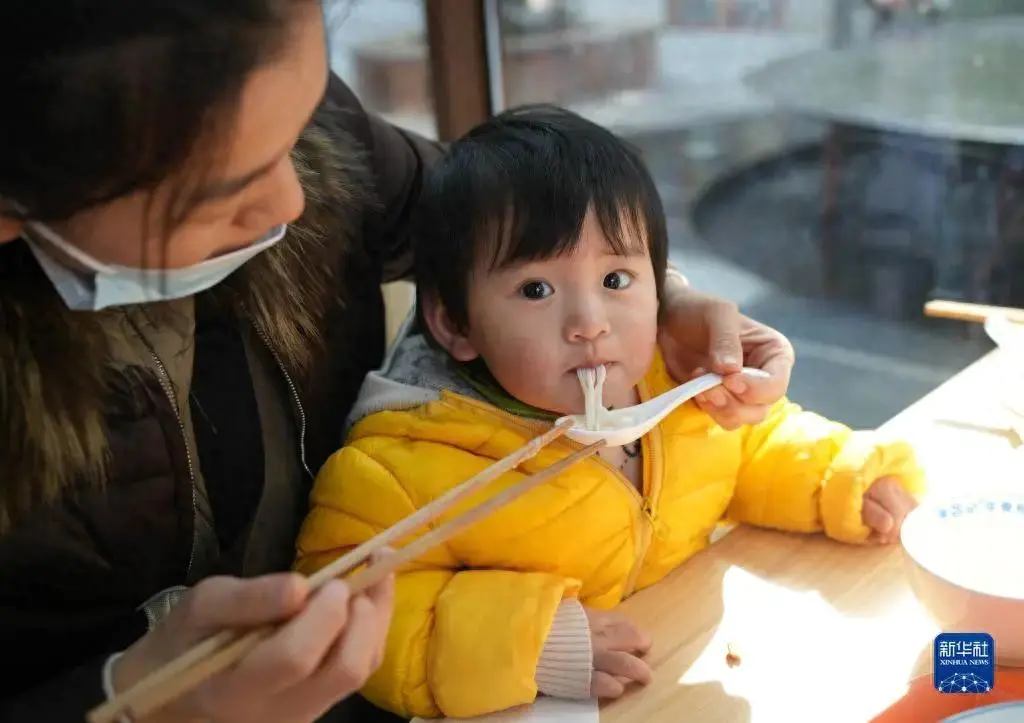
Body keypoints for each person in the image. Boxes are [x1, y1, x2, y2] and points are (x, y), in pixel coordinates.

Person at [0, 2, 797, 721]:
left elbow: (495, 222)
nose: (295, 201)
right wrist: (137, 706)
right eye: (226, 192)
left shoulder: (271, 95)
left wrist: (658, 298)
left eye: (301, 125)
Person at [293, 106, 926, 720]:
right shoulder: (404, 464)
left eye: (617, 280)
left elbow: (753, 447)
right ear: (455, 323)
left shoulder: (669, 381)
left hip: (689, 675)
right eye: (536, 289)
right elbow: (343, 610)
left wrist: (842, 477)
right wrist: (526, 642)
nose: (590, 323)